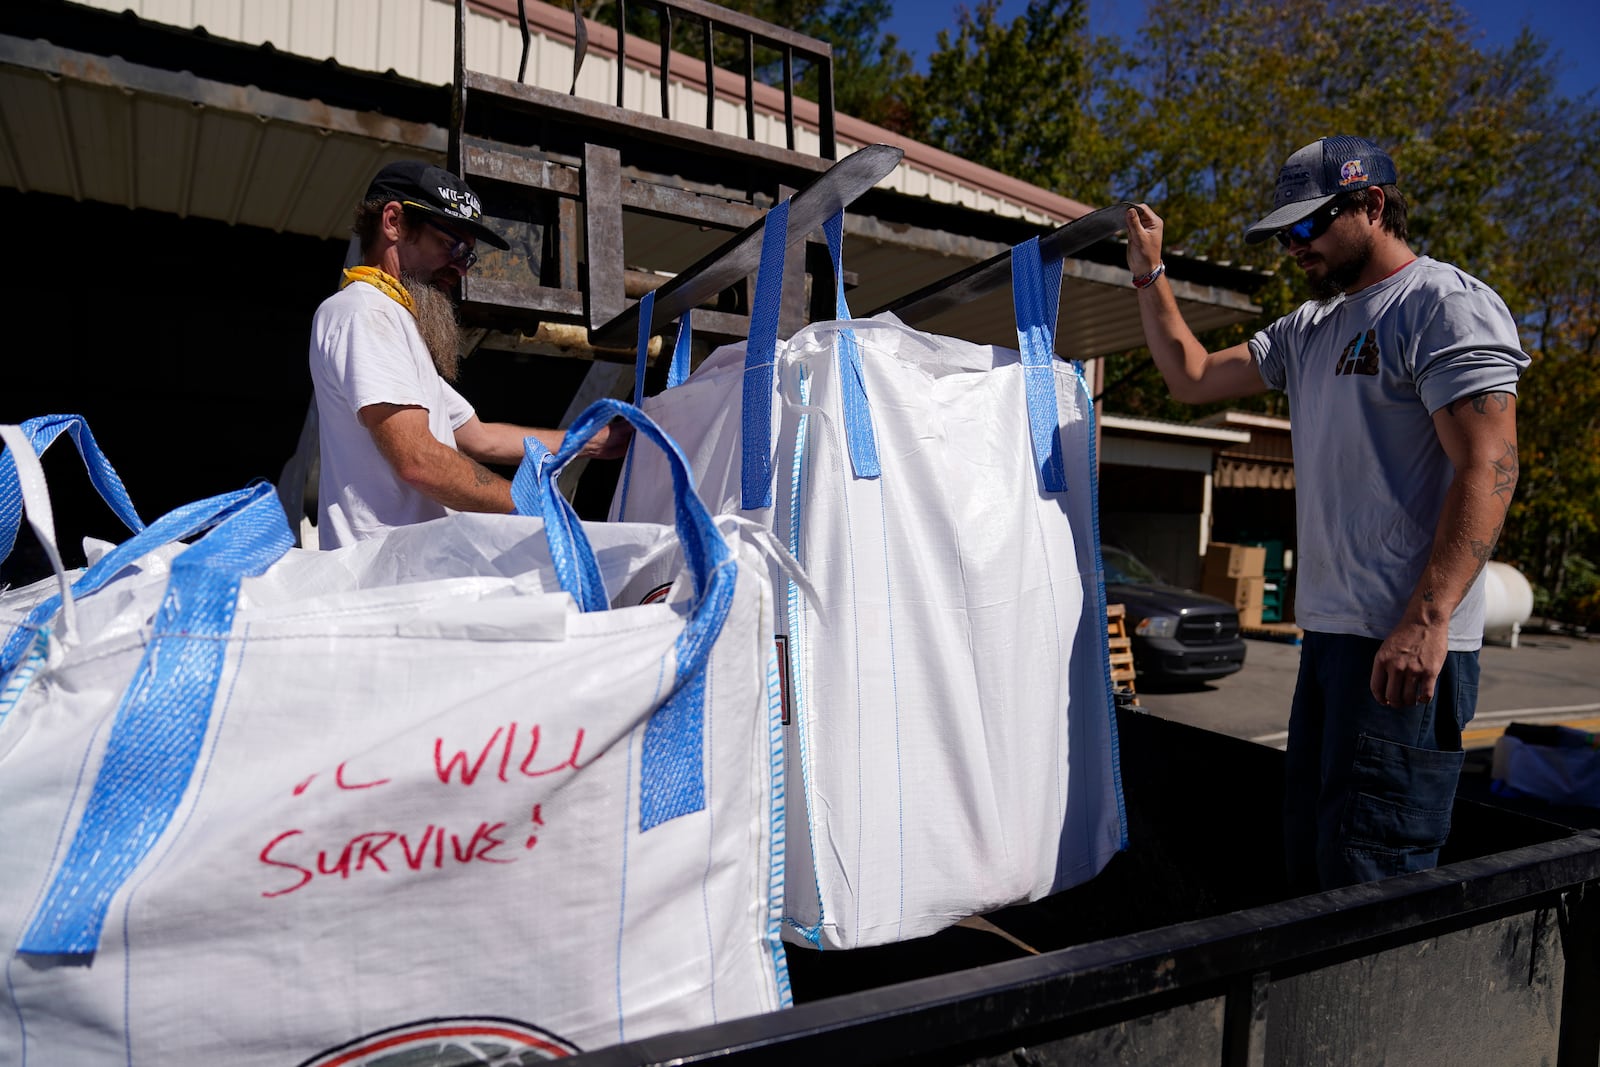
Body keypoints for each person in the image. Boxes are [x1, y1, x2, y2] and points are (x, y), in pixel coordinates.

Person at [1123, 136, 1528, 891]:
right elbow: (1192, 375)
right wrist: (1150, 271)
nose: (1293, 244)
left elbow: (1490, 466)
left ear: (1372, 205)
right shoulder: (1307, 329)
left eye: (1308, 225)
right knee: (1313, 872)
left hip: (1404, 651)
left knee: (1371, 880)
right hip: (1331, 644)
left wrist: (1428, 620)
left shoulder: (1440, 304)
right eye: (1285, 231)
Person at [310, 160, 626, 548]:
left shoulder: (396, 319)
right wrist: (528, 503)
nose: (460, 269)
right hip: (387, 582)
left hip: (414, 575)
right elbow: (418, 460)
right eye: (452, 245)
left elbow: (479, 437)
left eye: (468, 256)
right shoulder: (366, 312)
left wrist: (592, 441)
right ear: (393, 222)